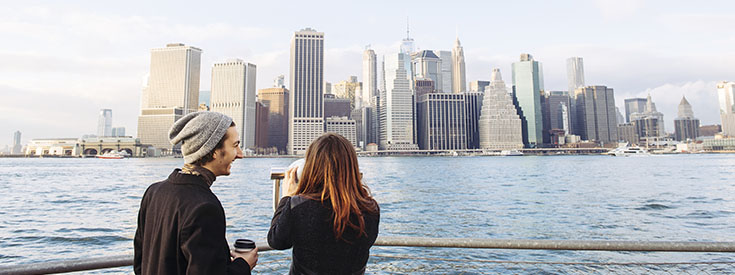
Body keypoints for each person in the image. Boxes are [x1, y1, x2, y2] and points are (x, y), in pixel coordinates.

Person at [134, 111, 258, 274]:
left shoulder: (153, 192)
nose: (240, 154)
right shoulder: (205, 207)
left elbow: (140, 264)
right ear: (213, 151)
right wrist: (244, 264)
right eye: (235, 146)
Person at [268, 133, 380, 275]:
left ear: (312, 167)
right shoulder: (370, 209)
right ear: (351, 167)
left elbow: (276, 241)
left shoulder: (298, 206)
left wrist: (287, 197)